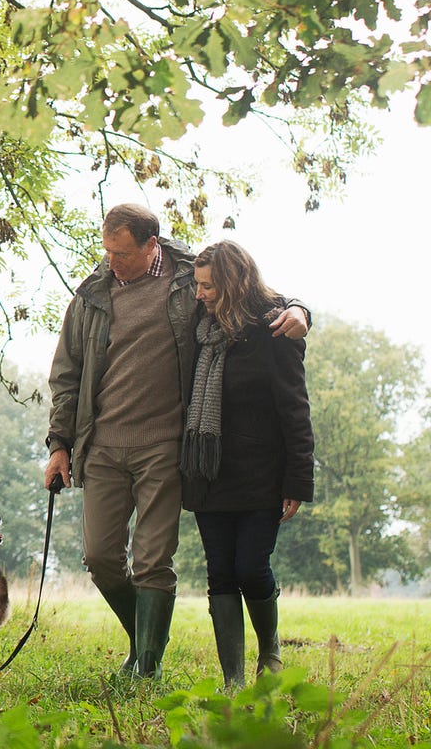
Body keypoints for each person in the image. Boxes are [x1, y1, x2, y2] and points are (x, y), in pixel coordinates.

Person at [42, 204, 309, 680]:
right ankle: (141, 638)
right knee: (100, 558)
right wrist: (59, 443)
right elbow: (67, 374)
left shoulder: (189, 280)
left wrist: (300, 309)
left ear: (151, 245)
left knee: (152, 561)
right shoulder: (91, 296)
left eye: (121, 253)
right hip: (102, 445)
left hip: (165, 445)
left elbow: (250, 295)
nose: (111, 262)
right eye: (106, 251)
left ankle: (147, 665)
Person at [182, 240, 315, 689]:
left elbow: (296, 407)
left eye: (209, 287)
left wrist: (297, 477)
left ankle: (270, 654)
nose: (199, 294)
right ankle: (233, 680)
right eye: (198, 285)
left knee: (251, 567)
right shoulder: (197, 327)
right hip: (207, 472)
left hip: (262, 474)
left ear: (234, 283)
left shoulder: (273, 328)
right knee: (220, 572)